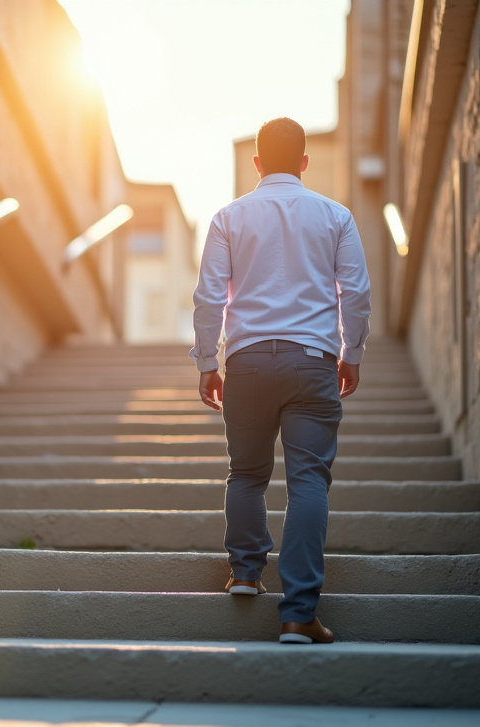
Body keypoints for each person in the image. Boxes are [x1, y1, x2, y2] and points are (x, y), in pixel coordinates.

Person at [190, 117, 371, 644]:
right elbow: (355, 293)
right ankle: (297, 615)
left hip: (245, 363)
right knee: (308, 481)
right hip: (313, 361)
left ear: (257, 163)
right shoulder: (336, 216)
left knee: (245, 472)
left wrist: (207, 360)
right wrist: (351, 353)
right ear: (306, 163)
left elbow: (208, 297)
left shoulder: (229, 217)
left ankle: (245, 573)